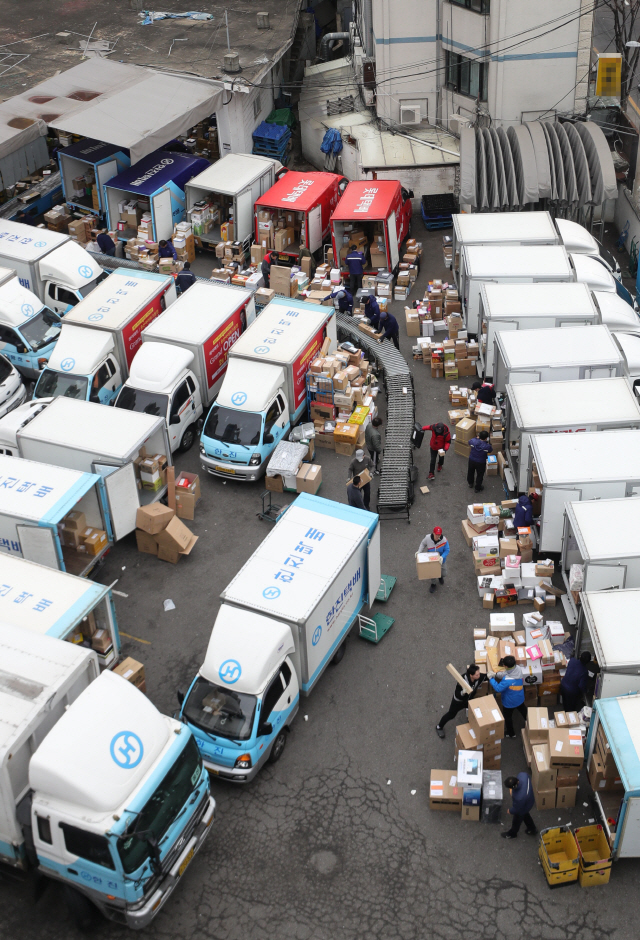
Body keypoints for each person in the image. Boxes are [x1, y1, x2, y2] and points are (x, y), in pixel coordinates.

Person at [435, 664, 486, 738]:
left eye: (479, 673)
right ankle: (439, 727)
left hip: (468, 699)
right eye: (477, 674)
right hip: (458, 701)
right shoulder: (462, 681)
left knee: (472, 708)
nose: (479, 675)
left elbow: (485, 677)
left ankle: (470, 717)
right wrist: (462, 692)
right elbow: (457, 694)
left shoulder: (478, 677)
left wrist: (492, 675)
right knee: (451, 715)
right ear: (471, 675)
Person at [489, 655, 525, 738]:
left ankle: (511, 733)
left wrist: (491, 678)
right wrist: (496, 674)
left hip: (509, 702)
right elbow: (506, 673)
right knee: (523, 711)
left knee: (508, 717)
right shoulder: (518, 669)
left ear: (505, 666)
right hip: (520, 698)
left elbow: (498, 688)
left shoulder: (507, 681)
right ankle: (530, 723)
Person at [501, 774, 537, 839]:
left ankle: (512, 834)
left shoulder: (519, 797)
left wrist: (510, 811)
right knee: (525, 815)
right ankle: (532, 829)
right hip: (530, 799)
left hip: (524, 806)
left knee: (517, 820)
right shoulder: (523, 775)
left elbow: (517, 809)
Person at [417, 526, 450, 594]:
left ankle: (440, 576)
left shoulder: (444, 540)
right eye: (436, 534)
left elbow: (447, 550)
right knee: (432, 573)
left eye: (439, 534)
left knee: (444, 573)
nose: (438, 536)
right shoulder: (428, 538)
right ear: (433, 533)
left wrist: (442, 557)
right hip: (431, 560)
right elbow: (423, 544)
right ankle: (433, 584)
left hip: (441, 560)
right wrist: (419, 551)